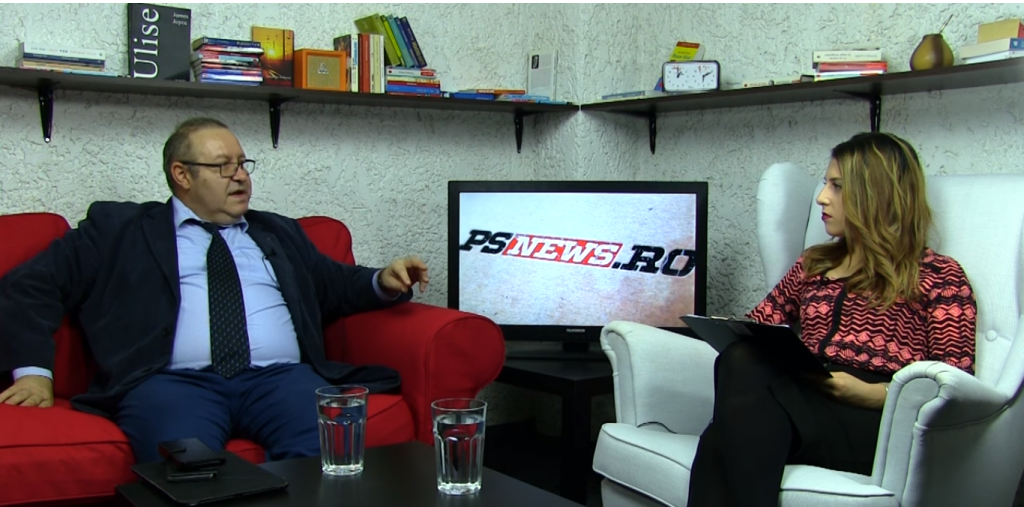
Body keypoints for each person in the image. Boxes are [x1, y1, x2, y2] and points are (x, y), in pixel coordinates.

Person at [0, 117, 430, 463]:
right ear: (181, 174)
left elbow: (334, 283)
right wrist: (35, 373)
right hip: (173, 384)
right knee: (188, 472)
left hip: (281, 380)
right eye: (223, 166)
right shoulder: (119, 230)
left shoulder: (277, 231)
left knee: (329, 458)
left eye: (243, 164)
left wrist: (382, 281)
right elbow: (31, 284)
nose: (240, 177)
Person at [686, 132, 977, 507]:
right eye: (825, 184)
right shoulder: (815, 264)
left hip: (876, 419)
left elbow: (955, 383)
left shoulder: (938, 274)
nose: (822, 197)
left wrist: (871, 394)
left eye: (836, 186)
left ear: (875, 194)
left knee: (724, 429)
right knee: (741, 362)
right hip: (805, 395)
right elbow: (757, 326)